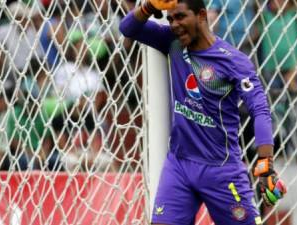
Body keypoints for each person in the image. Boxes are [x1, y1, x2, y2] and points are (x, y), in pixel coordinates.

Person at [119, 0, 286, 224]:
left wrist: (265, 164)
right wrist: (148, 6)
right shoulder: (171, 42)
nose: (174, 24)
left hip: (222, 170)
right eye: (170, 19)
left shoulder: (233, 61)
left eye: (180, 17)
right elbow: (127, 28)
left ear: (201, 15)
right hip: (179, 165)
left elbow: (260, 109)